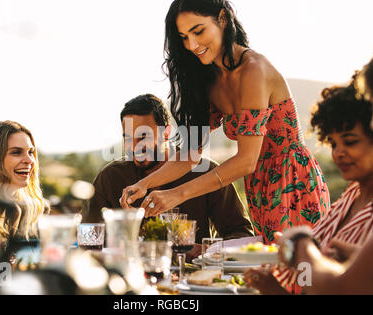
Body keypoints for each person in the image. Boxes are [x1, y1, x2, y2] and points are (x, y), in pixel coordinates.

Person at [120, 0, 330, 244]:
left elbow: (246, 161)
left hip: (294, 181)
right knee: (274, 271)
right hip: (259, 187)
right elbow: (190, 155)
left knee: (302, 272)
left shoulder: (254, 70)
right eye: (184, 37)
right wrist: (144, 184)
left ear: (222, 18)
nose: (192, 45)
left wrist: (178, 194)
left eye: (198, 31)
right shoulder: (209, 79)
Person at [244, 79, 373, 294]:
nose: (338, 153)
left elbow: (345, 287)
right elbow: (310, 282)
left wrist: (300, 243)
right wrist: (274, 288)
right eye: (333, 143)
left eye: (350, 141)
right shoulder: (351, 195)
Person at [87, 94, 254, 244]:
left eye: (143, 137)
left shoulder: (206, 172)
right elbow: (88, 233)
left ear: (166, 133)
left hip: (193, 276)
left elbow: (242, 234)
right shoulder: (111, 176)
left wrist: (204, 250)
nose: (135, 147)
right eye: (128, 139)